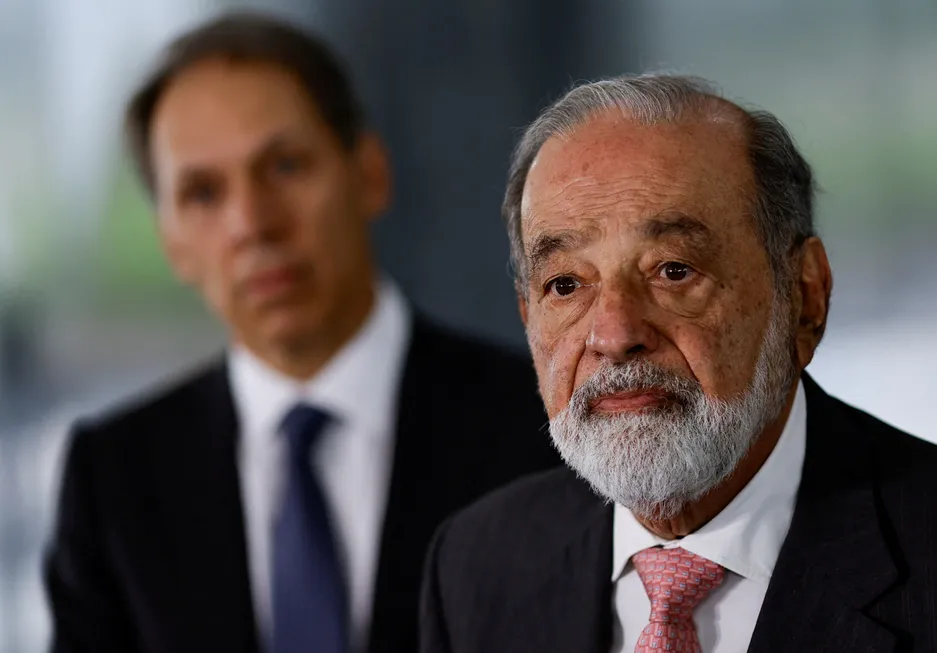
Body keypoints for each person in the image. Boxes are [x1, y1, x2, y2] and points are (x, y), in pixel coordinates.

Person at [43, 11, 561, 653]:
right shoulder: (114, 478)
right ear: (172, 243)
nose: (253, 223)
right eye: (203, 193)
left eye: (286, 166)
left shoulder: (541, 426)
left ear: (369, 173)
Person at [420, 73, 937, 653]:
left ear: (806, 294)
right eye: (565, 284)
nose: (614, 335)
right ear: (527, 316)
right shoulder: (476, 565)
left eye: (673, 271)